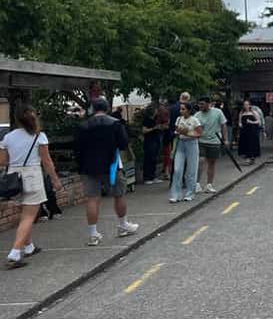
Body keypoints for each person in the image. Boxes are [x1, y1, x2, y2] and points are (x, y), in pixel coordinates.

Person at [1, 105, 62, 269]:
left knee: (24, 214)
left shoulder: (8, 137)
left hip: (14, 178)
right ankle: (15, 253)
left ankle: (29, 247)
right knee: (29, 216)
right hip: (32, 176)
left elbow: (2, 161)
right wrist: (55, 179)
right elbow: (47, 161)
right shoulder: (39, 136)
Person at [75, 98, 139, 247]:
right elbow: (123, 144)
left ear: (92, 109)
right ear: (107, 108)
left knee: (92, 199)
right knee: (119, 194)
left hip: (89, 167)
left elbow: (77, 148)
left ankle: (93, 234)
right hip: (112, 165)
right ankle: (123, 225)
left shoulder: (83, 126)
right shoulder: (115, 124)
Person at [194, 96, 227, 194]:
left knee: (211, 163)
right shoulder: (197, 115)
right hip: (201, 141)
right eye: (199, 104)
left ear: (208, 104)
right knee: (200, 161)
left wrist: (225, 139)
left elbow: (223, 125)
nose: (200, 106)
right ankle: (196, 184)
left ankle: (209, 185)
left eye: (202, 104)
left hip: (214, 141)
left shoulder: (218, 112)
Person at [171, 103, 202, 203]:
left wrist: (188, 133)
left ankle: (190, 193)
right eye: (181, 109)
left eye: (183, 109)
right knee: (177, 169)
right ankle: (176, 194)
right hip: (180, 144)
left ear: (188, 110)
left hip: (192, 144)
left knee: (191, 170)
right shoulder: (178, 119)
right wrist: (178, 132)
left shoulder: (194, 120)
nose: (181, 111)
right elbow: (176, 131)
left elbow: (199, 133)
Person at [141, 105, 165, 185]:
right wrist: (154, 128)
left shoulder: (155, 119)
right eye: (156, 110)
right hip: (149, 141)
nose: (157, 112)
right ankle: (147, 177)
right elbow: (144, 130)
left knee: (154, 158)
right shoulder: (147, 120)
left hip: (156, 140)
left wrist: (161, 127)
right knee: (148, 159)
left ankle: (153, 176)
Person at [238, 100, 262, 165]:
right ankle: (247, 157)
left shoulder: (254, 112)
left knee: (252, 143)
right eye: (244, 104)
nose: (245, 106)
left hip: (252, 130)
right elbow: (239, 121)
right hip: (244, 130)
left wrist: (251, 122)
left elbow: (258, 121)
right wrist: (240, 125)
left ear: (249, 105)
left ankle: (251, 157)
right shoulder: (241, 113)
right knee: (245, 143)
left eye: (247, 104)